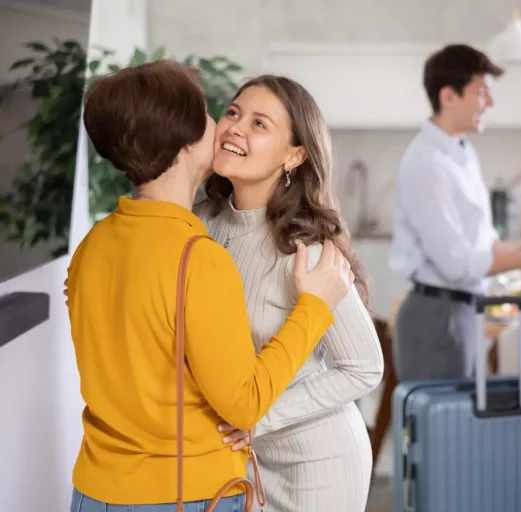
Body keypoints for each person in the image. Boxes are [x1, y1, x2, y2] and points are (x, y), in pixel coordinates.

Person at [66, 61, 354, 512]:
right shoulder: (198, 257)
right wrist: (313, 308)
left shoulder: (91, 246)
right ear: (184, 145)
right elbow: (243, 405)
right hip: (180, 495)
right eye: (211, 115)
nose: (222, 126)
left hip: (92, 492)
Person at [193, 74, 383, 512]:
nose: (236, 127)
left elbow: (364, 368)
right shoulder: (198, 222)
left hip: (315, 461)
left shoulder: (307, 250)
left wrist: (261, 418)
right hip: (238, 455)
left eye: (260, 124)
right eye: (234, 113)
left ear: (294, 154)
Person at [389, 43, 521, 382]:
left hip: (462, 312)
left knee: (462, 428)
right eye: (482, 93)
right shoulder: (427, 164)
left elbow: (484, 242)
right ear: (448, 96)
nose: (490, 103)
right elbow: (456, 264)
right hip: (438, 317)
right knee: (443, 432)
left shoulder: (462, 154)